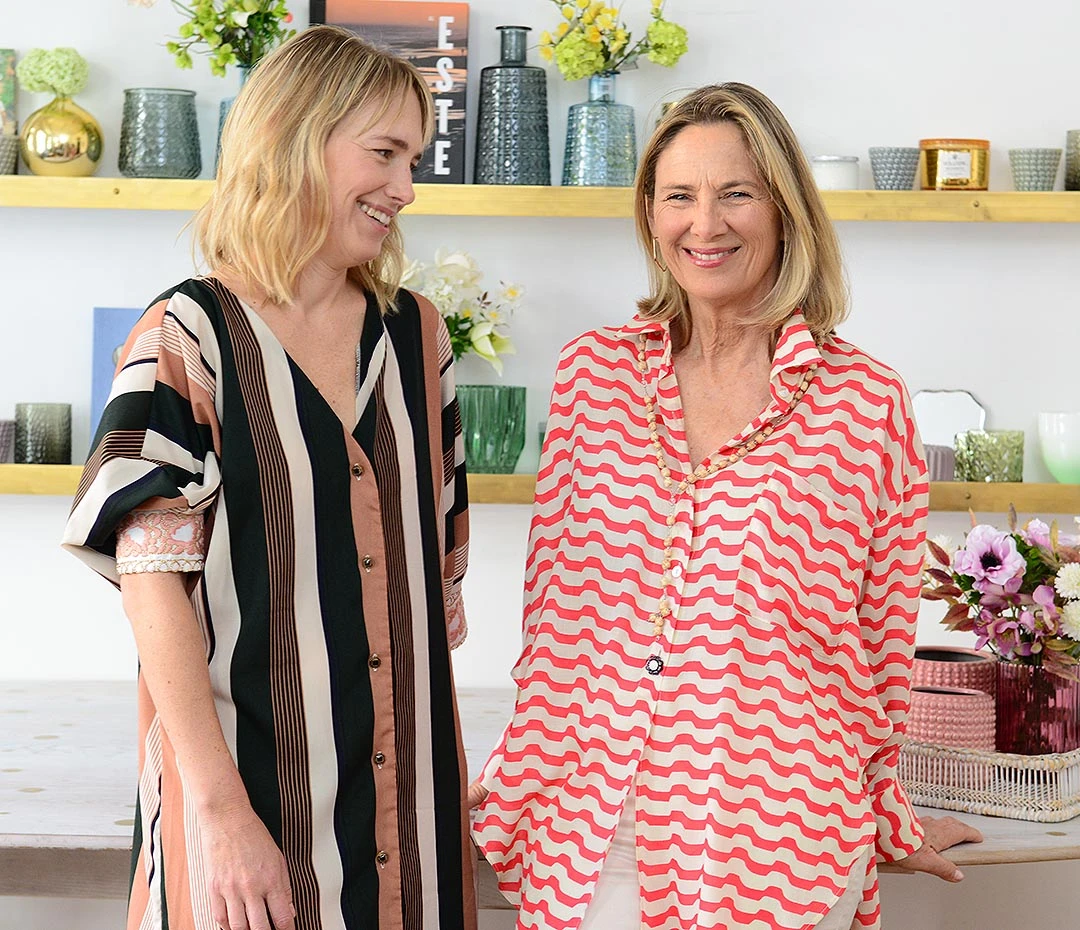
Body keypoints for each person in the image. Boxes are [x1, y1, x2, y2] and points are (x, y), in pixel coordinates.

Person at [469, 83, 982, 930]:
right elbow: (556, 618)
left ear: (784, 210)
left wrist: (888, 814)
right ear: (650, 214)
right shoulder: (591, 376)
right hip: (588, 833)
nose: (704, 224)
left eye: (736, 193)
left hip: (779, 842)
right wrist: (511, 772)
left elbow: (880, 641)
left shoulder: (865, 402)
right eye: (679, 195)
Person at [62, 25, 475, 930]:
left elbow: (431, 595)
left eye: (412, 160)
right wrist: (219, 814)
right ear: (296, 140)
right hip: (246, 812)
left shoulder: (420, 338)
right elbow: (153, 592)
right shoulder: (188, 338)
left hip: (410, 818)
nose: (406, 188)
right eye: (384, 153)